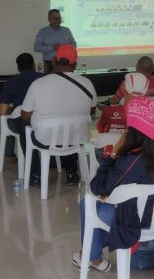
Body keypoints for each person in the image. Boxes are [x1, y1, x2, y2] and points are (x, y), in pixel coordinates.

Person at [73, 96, 154, 272]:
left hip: (138, 231)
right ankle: (89, 255)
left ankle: (91, 257)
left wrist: (112, 154)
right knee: (111, 198)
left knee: (88, 203)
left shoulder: (132, 163)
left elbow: (97, 187)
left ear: (133, 132)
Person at [19, 44, 96, 187]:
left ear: (54, 60)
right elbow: (92, 110)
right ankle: (72, 171)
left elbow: (25, 114)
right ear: (76, 64)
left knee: (22, 124)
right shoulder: (87, 83)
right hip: (78, 138)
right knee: (71, 127)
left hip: (45, 139)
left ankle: (35, 174)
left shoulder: (39, 83)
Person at [0, 53, 42, 159]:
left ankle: (9, 155)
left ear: (18, 67)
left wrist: (9, 110)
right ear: (34, 65)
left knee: (8, 117)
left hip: (23, 122)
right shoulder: (44, 78)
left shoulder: (12, 81)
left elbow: (2, 111)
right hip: (44, 121)